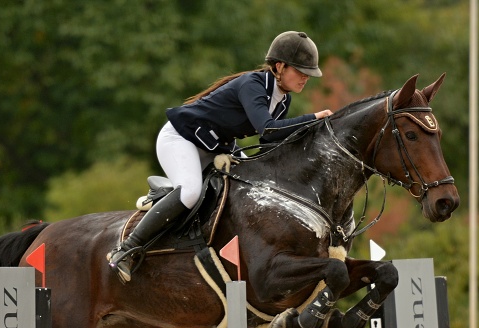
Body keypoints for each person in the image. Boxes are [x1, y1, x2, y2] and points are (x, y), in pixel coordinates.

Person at [108, 31, 333, 283]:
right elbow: (268, 129)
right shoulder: (253, 84)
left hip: (215, 146)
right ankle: (125, 250)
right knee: (191, 192)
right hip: (181, 138)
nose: (305, 78)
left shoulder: (282, 100)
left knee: (254, 185)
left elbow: (269, 141)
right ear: (279, 66)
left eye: (308, 73)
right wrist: (312, 119)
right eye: (300, 71)